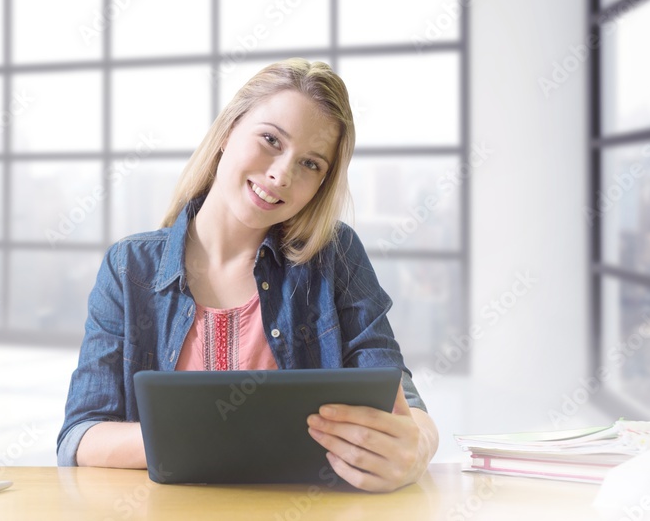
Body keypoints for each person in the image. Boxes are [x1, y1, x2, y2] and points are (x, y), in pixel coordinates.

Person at [57, 58, 438, 492]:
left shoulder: (334, 254)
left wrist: (421, 446)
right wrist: (214, 438)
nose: (281, 175)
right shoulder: (130, 267)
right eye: (271, 140)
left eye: (311, 164)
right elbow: (79, 438)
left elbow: (401, 401)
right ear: (226, 132)